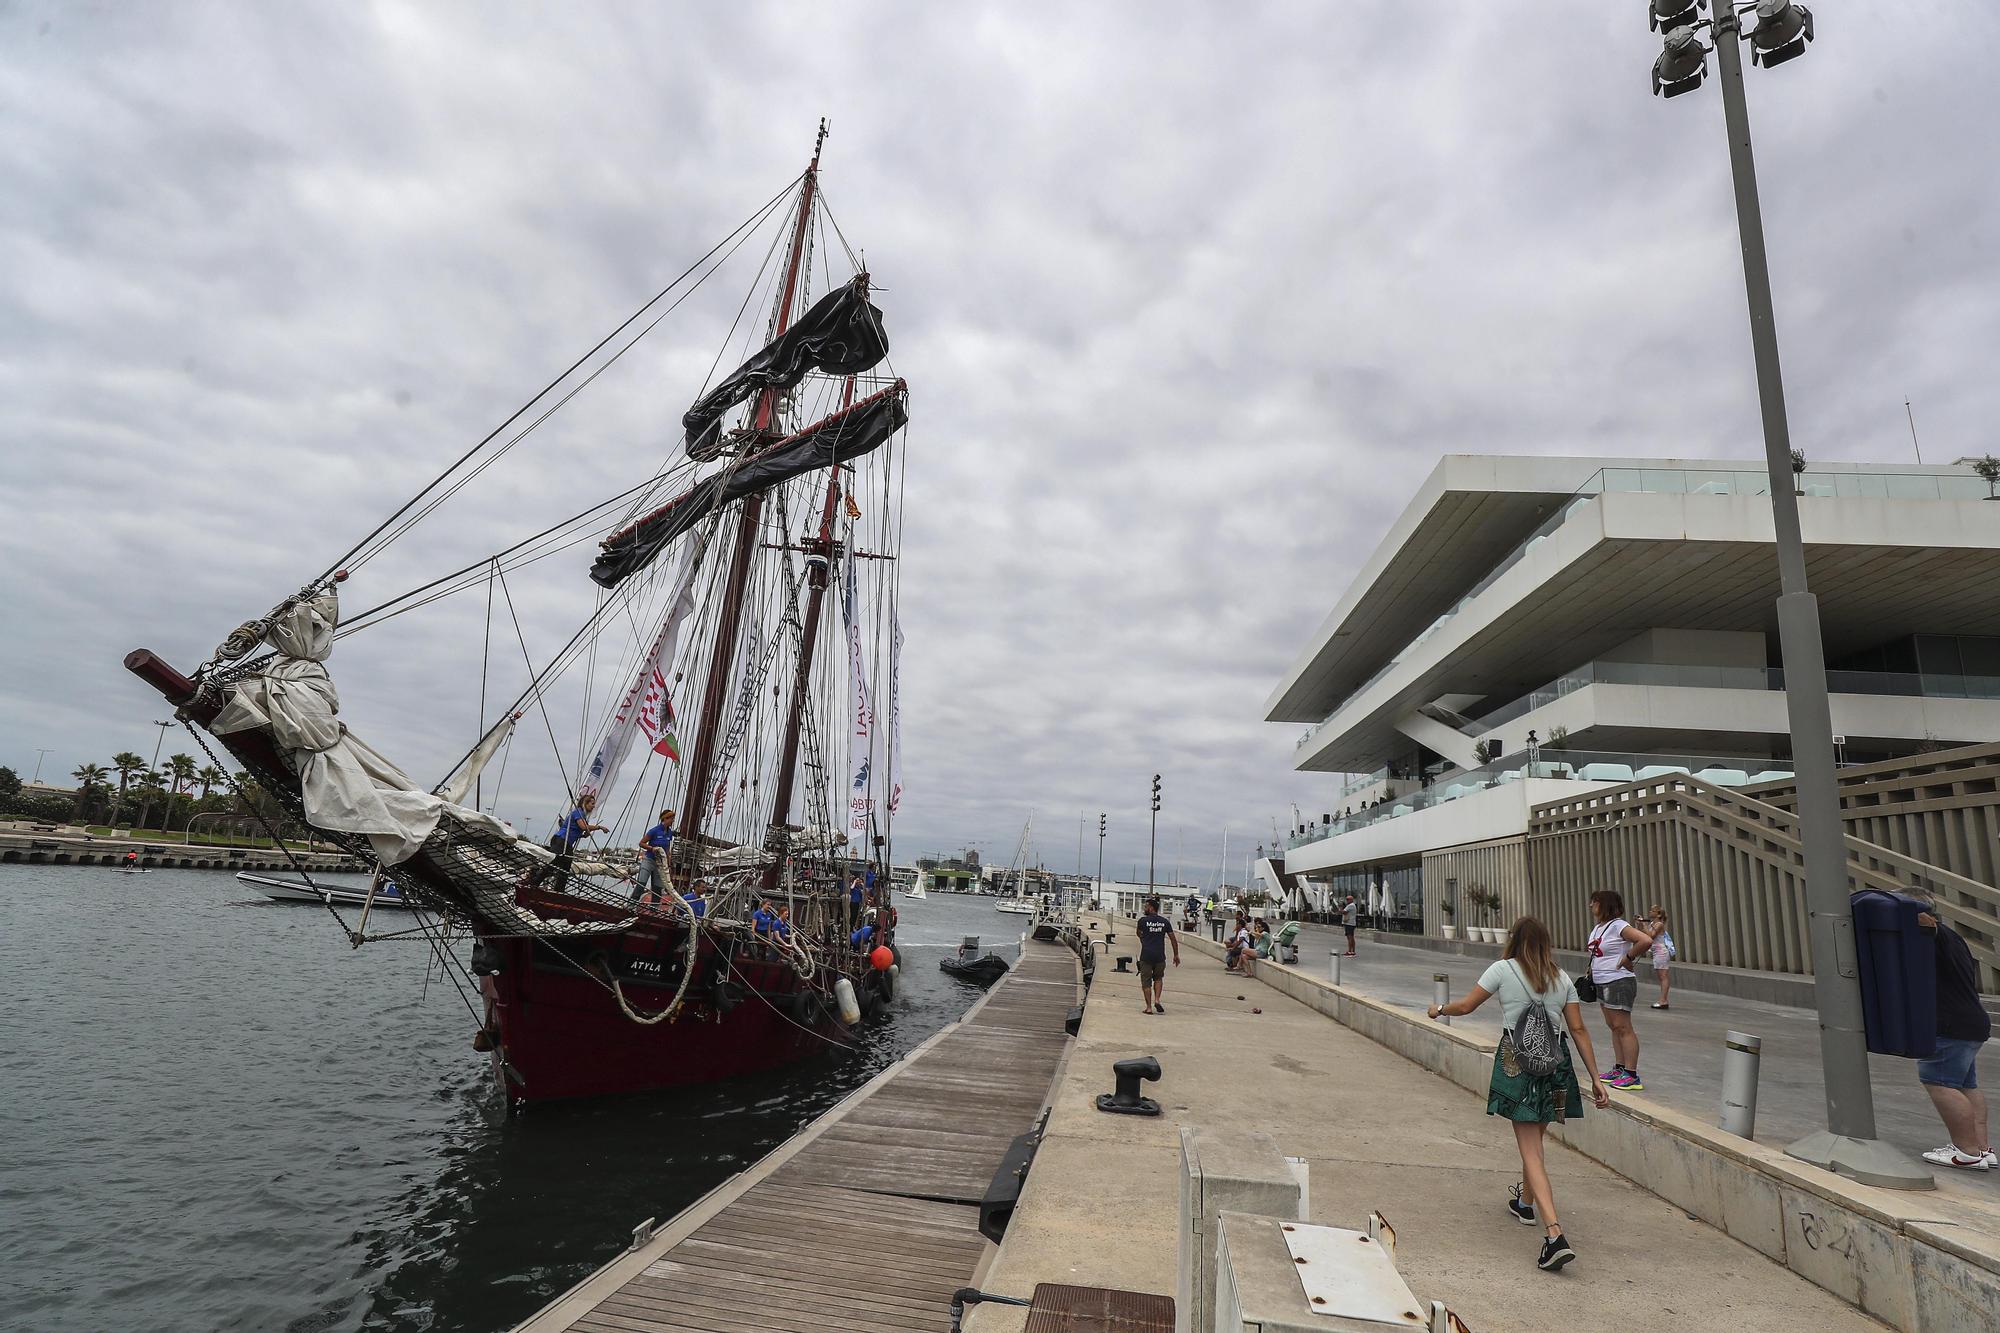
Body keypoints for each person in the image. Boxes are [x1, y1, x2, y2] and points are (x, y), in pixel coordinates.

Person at [1430, 916, 1610, 1272]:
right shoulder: (1561, 979)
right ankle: (1525, 1204)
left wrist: (1439, 1010)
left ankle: (1555, 1235)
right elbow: (1578, 1029)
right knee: (1536, 1144)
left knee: (1532, 1152)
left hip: (1520, 1064)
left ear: (1515, 940)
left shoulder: (1502, 969)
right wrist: (1596, 1078)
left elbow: (1466, 1006)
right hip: (1556, 1067)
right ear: (1546, 943)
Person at [1914, 893, 1993, 1170]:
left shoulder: (1932, 932)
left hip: (1949, 1024)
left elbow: (1922, 918)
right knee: (1965, 1085)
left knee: (1939, 1082)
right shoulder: (1954, 937)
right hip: (1972, 1021)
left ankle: (1965, 1151)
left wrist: (1901, 910)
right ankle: (1982, 1149)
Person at [1586, 890, 1653, 1091]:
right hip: (1603, 981)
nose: (1591, 905)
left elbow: (1645, 940)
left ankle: (1631, 1074)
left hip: (1618, 981)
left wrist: (1628, 958)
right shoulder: (1599, 928)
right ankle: (1620, 1066)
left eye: (1594, 902)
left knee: (1623, 1026)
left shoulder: (1619, 925)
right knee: (1614, 1026)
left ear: (1604, 904)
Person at [535, 792, 606, 890]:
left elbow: (579, 830)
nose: (594, 806)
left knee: (565, 867)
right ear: (585, 803)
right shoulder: (578, 812)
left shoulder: (583, 816)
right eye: (592, 804)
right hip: (561, 840)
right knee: (554, 863)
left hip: (566, 842)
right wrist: (599, 827)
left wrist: (585, 834)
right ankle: (534, 883)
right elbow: (582, 826)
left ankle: (559, 890)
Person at [1135, 896, 1180, 1014]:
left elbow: (1138, 933)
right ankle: (1157, 1000)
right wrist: (1176, 955)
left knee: (1146, 982)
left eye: (1146, 906)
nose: (1145, 908)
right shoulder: (1165, 922)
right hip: (1160, 956)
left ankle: (1149, 1007)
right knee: (1158, 978)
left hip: (1146, 956)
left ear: (1151, 908)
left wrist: (1144, 941)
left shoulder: (1143, 921)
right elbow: (1173, 940)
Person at [632, 808, 675, 901]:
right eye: (671, 819)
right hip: (649, 860)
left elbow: (667, 849)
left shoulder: (670, 833)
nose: (672, 821)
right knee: (641, 884)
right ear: (665, 819)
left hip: (660, 863)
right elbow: (641, 843)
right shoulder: (654, 831)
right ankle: (631, 905)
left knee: (657, 889)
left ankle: (654, 910)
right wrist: (652, 848)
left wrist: (668, 864)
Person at [1644, 903, 1675, 1009]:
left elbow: (1651, 935)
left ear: (1658, 914)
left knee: (1663, 977)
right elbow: (1645, 935)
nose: (1650, 912)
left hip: (1661, 952)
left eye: (1652, 911)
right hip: (1657, 952)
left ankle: (1663, 1000)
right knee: (1661, 977)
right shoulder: (1653, 923)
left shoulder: (1659, 924)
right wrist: (1641, 925)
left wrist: (1643, 926)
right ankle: (1663, 1000)